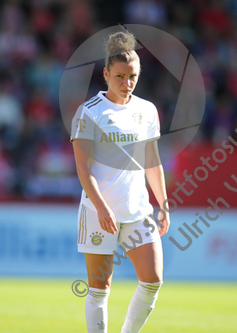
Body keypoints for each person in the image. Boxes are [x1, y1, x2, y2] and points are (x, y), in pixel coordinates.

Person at [70, 30, 170, 333]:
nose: (127, 83)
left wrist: (163, 203)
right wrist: (101, 207)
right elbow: (83, 169)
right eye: (120, 76)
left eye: (132, 77)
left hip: (138, 210)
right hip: (100, 212)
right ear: (105, 74)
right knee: (100, 288)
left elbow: (152, 161)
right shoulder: (89, 113)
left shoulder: (146, 110)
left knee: (152, 280)